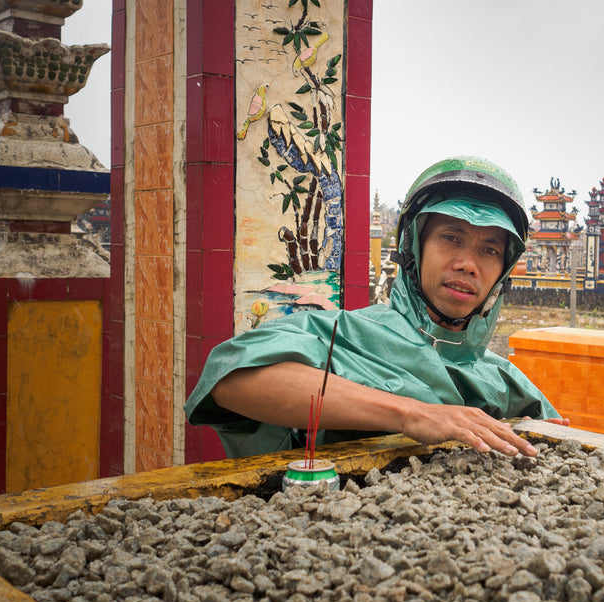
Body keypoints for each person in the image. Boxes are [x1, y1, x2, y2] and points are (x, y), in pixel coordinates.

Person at [186, 156, 566, 458]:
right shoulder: (341, 333)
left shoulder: (505, 382)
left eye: (489, 250)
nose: (468, 263)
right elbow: (230, 379)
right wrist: (411, 414)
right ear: (413, 251)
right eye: (451, 238)